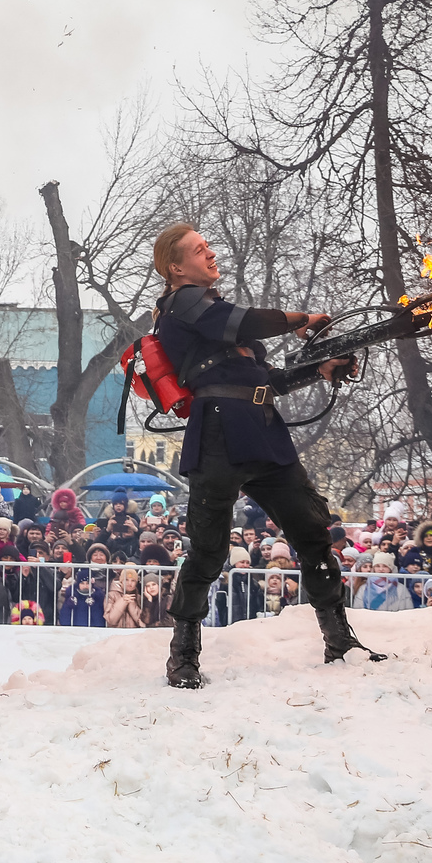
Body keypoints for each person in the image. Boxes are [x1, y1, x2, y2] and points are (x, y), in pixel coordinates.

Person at [150, 223, 378, 687]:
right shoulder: (183, 303)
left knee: (314, 532)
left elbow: (265, 380)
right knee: (208, 553)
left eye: (208, 246)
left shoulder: (215, 313)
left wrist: (322, 368)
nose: (210, 253)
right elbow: (246, 321)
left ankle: (339, 639)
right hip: (217, 434)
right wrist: (305, 318)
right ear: (176, 268)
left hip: (263, 435)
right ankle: (184, 656)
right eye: (199, 249)